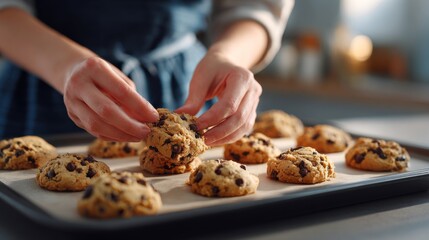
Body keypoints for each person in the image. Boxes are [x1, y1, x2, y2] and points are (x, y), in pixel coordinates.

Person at [0, 0, 294, 146]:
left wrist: (229, 56)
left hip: (189, 84)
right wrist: (65, 65)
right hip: (40, 79)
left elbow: (256, 7)